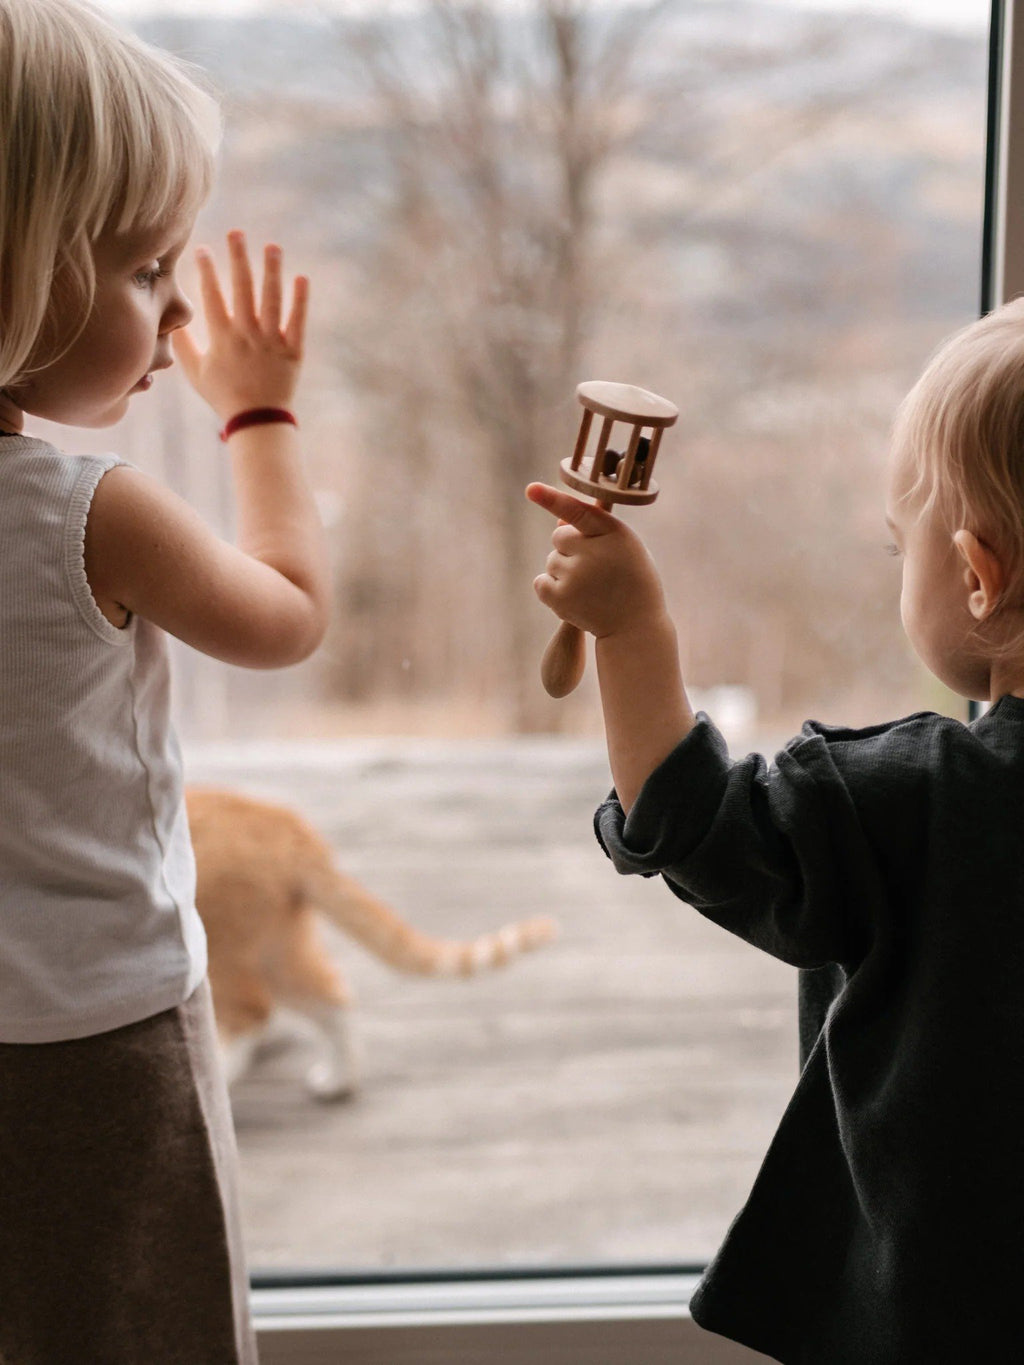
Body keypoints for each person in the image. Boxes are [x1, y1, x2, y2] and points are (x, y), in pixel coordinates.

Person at [527, 299, 1024, 1364]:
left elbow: (695, 817)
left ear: (979, 577)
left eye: (905, 550)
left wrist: (630, 632)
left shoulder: (919, 801)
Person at [0, 1, 331, 1360]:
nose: (179, 309)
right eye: (146, 270)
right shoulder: (89, 512)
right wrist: (257, 414)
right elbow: (288, 617)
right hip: (94, 1039)